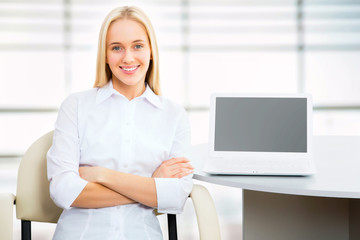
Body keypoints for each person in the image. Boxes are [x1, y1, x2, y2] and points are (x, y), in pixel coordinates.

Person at [47, 6, 194, 240]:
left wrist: (102, 175)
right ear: (105, 55)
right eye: (116, 48)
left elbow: (175, 197)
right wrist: (151, 186)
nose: (128, 57)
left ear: (151, 51)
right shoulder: (75, 106)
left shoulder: (174, 115)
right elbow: (63, 191)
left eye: (137, 46)